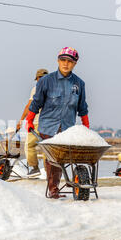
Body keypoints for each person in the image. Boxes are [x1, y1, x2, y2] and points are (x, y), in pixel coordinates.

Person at [26, 47, 90, 199]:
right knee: (52, 158)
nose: (66, 64)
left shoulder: (79, 84)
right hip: (48, 125)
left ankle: (66, 181)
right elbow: (36, 103)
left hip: (68, 127)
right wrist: (29, 120)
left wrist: (86, 127)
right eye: (63, 60)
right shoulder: (45, 81)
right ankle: (53, 188)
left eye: (70, 61)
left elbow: (82, 107)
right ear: (58, 60)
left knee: (62, 157)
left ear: (75, 64)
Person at [16, 68, 49, 177]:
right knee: (47, 147)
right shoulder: (54, 88)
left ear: (38, 78)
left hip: (36, 122)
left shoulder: (36, 88)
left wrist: (21, 120)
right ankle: (49, 171)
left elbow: (29, 106)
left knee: (29, 146)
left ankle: (34, 168)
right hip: (50, 123)